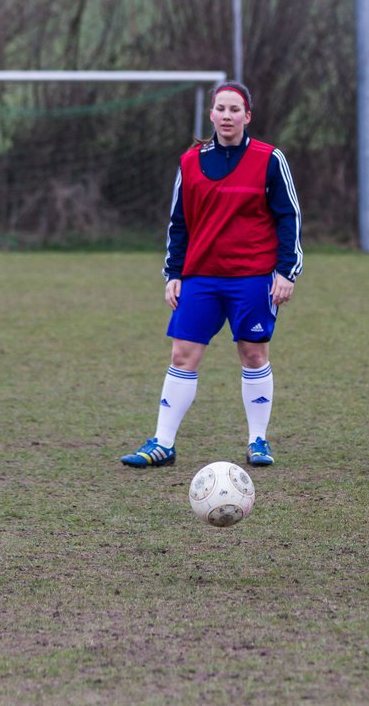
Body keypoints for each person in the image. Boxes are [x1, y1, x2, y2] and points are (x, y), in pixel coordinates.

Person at [120, 80, 302, 469]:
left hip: (252, 276)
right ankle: (163, 444)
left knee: (253, 354)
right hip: (200, 276)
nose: (227, 116)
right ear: (211, 114)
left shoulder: (270, 159)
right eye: (220, 108)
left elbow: (289, 218)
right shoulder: (189, 162)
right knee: (182, 355)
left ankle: (258, 441)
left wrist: (286, 271)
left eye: (235, 109)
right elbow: (178, 222)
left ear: (247, 116)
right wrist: (174, 272)